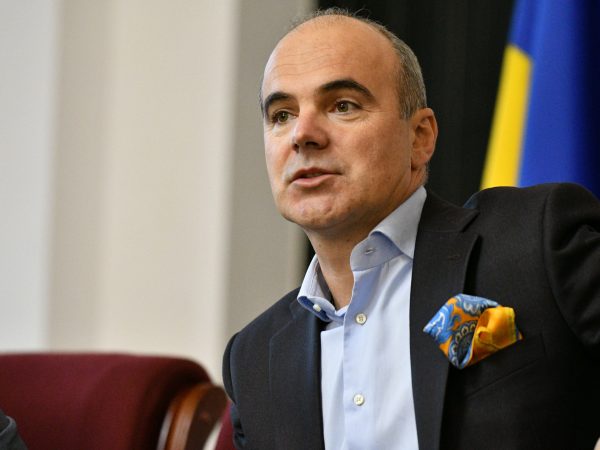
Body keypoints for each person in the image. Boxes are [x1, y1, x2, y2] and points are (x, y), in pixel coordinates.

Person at [222, 8, 600, 449]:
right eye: (282, 114)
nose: (302, 134)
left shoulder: (533, 244)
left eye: (343, 106)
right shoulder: (253, 359)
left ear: (420, 137)